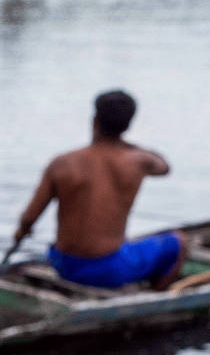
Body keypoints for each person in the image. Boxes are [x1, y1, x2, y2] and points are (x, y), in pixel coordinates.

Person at [13, 90, 184, 290]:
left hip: (64, 265)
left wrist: (20, 233)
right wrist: (126, 144)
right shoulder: (138, 161)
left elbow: (28, 219)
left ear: (94, 120)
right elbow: (164, 166)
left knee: (124, 247)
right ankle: (156, 298)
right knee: (179, 241)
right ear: (128, 126)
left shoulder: (62, 163)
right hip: (109, 269)